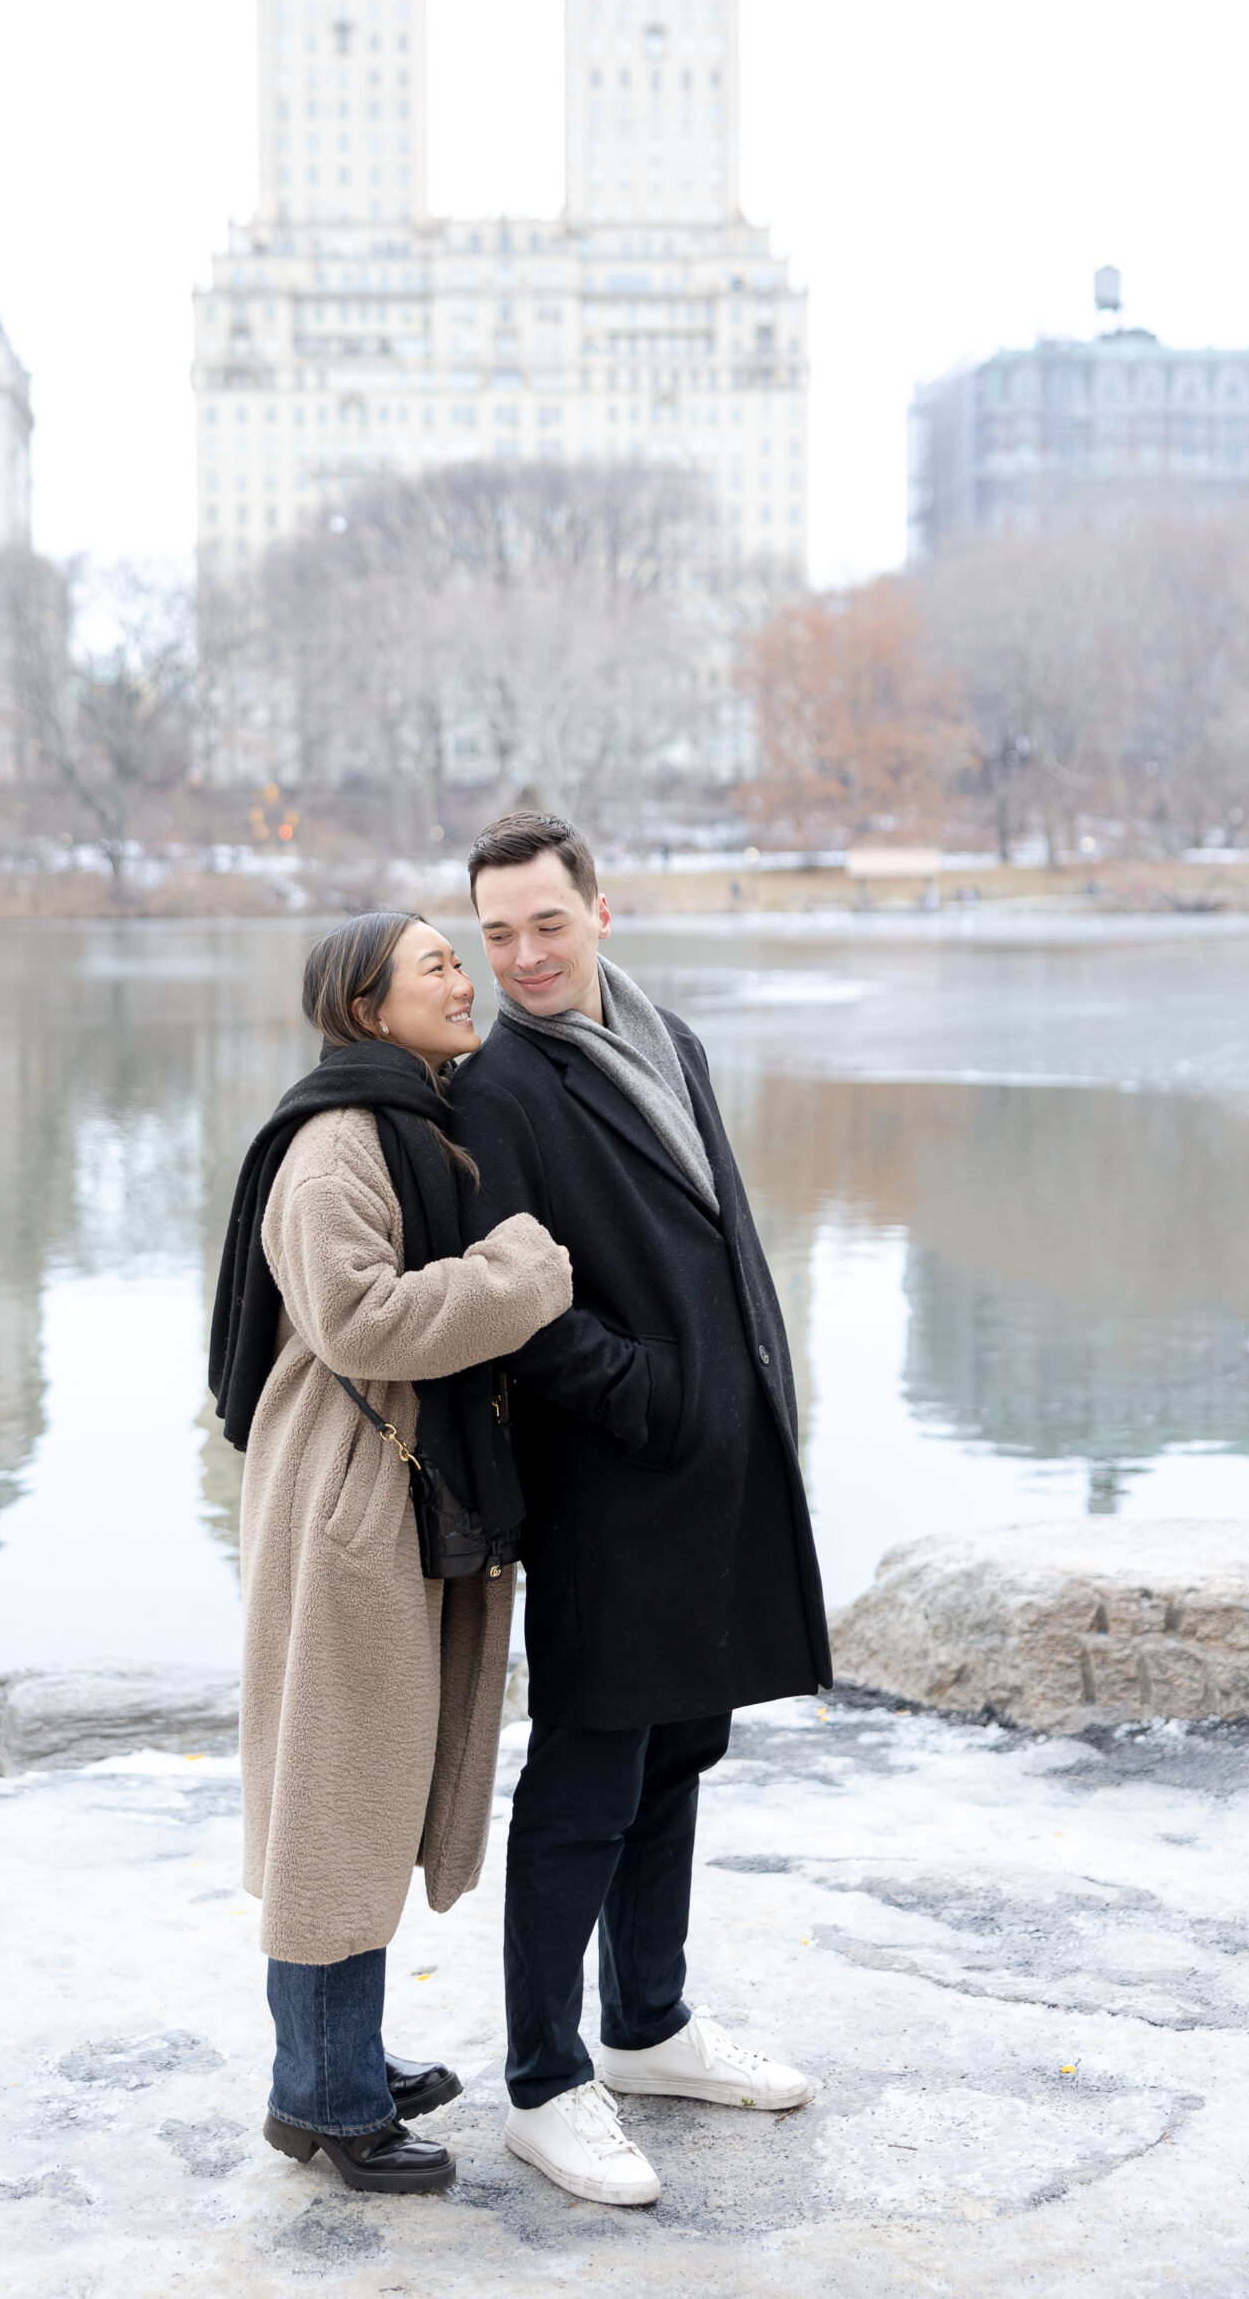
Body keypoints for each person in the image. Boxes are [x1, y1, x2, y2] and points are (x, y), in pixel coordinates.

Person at [450, 813, 833, 2208]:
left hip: (717, 1465)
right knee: (585, 1779)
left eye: (545, 923)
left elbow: (718, 1233)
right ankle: (544, 2084)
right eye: (495, 934)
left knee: (680, 1748)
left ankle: (649, 2021)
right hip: (611, 1478)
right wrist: (654, 1397)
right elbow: (516, 1308)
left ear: (600, 914)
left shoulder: (672, 1041)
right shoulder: (497, 1091)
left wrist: (745, 1398)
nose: (522, 956)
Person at [208, 910, 572, 2196]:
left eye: (455, 960)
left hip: (388, 1487)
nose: (464, 978)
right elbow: (359, 1321)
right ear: (367, 1007)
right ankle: (324, 2099)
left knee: (362, 1797)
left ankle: (338, 2056)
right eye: (436, 965)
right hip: (348, 1499)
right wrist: (521, 1274)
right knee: (335, 1808)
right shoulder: (335, 1147)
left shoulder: (403, 1120)